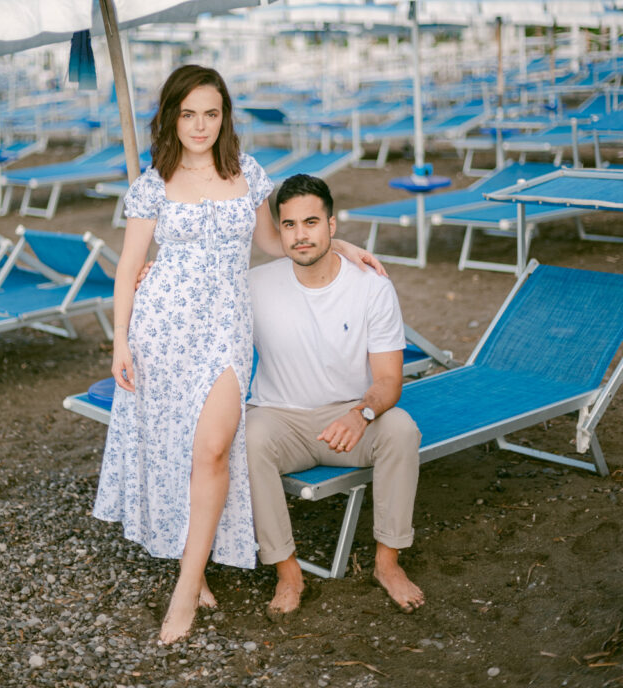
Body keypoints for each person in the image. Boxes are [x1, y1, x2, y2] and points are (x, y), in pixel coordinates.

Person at [93, 65, 380, 645]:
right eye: (189, 113)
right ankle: (193, 571)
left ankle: (185, 588)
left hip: (224, 329)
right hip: (161, 328)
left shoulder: (246, 173)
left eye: (212, 113)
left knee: (214, 446)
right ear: (173, 117)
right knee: (176, 447)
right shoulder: (153, 183)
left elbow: (275, 242)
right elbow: (129, 266)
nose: (201, 125)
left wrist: (335, 242)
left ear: (224, 117)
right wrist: (120, 339)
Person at [246, 173, 425, 618]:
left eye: (311, 222)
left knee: (401, 429)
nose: (300, 235)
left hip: (348, 419)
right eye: (289, 225)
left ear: (332, 225)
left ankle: (387, 563)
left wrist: (361, 414)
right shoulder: (254, 284)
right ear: (279, 230)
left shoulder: (371, 287)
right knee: (246, 439)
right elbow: (195, 296)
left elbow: (388, 381)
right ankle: (288, 571)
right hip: (280, 417)